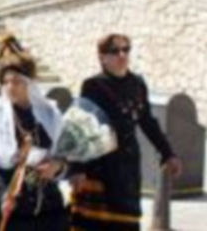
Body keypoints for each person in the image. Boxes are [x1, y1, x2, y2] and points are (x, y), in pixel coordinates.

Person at [69, 34, 183, 231]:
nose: (122, 55)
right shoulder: (93, 86)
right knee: (95, 225)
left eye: (126, 49)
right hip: (99, 168)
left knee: (127, 221)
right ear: (102, 57)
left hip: (128, 167)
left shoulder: (137, 84)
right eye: (114, 51)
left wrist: (168, 153)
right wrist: (77, 169)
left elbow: (147, 122)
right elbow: (81, 127)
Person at [0, 33, 67, 231]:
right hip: (7, 202)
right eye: (6, 82)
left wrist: (57, 166)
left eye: (17, 81)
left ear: (29, 83)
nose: (10, 87)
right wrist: (2, 194)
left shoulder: (49, 113)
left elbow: (64, 152)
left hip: (47, 205)